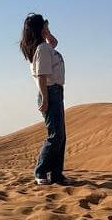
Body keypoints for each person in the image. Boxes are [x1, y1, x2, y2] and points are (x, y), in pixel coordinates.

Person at [19, 13, 74, 185]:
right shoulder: (42, 49)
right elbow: (42, 76)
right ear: (39, 28)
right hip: (50, 92)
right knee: (55, 135)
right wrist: (45, 98)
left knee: (61, 136)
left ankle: (57, 174)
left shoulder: (46, 46)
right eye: (44, 25)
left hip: (56, 91)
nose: (47, 28)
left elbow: (55, 42)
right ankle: (40, 171)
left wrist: (47, 32)